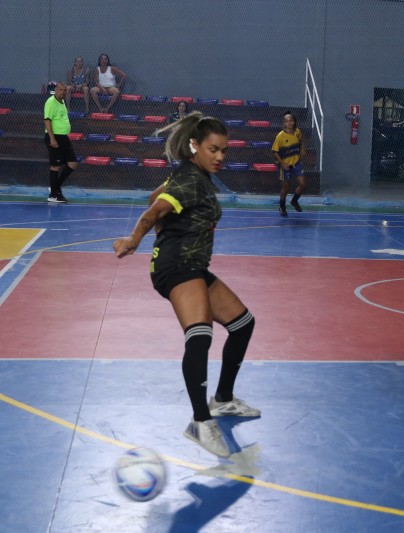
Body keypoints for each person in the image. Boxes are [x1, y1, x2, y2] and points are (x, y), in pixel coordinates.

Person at [112, 112, 259, 458]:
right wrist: (135, 239)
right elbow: (153, 211)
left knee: (243, 324)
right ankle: (200, 421)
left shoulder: (192, 176)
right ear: (195, 146)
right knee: (200, 335)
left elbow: (154, 196)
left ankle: (223, 399)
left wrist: (165, 229)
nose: (220, 156)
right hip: (176, 266)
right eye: (213, 149)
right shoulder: (191, 179)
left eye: (224, 150)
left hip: (193, 266)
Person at [43, 82, 78, 203]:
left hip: (64, 138)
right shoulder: (51, 102)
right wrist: (52, 138)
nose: (63, 92)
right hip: (55, 137)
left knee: (73, 163)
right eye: (60, 90)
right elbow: (47, 120)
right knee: (55, 166)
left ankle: (55, 187)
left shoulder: (62, 101)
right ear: (56, 90)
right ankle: (53, 195)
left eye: (64, 90)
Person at [271, 111, 306, 216]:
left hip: (296, 162)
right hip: (285, 165)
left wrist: (302, 148)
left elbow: (300, 141)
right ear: (284, 123)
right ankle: (282, 206)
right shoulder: (280, 136)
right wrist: (282, 163)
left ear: (294, 121)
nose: (289, 123)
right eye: (286, 121)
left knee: (303, 184)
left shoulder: (298, 132)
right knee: (286, 187)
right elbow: (275, 152)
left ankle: (294, 201)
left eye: (291, 120)